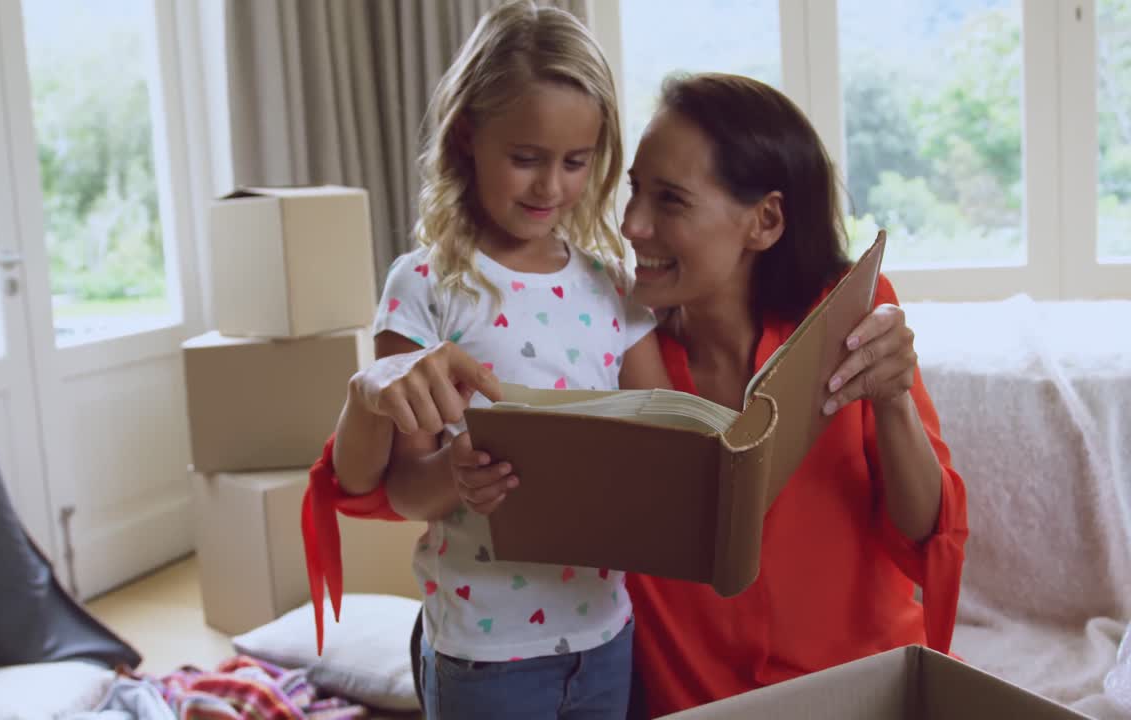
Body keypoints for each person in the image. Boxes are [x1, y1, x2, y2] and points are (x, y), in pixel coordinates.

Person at [305, 69, 968, 720]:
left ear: (765, 221)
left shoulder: (846, 318)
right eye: (633, 192)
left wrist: (893, 398)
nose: (631, 225)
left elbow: (924, 531)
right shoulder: (613, 356)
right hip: (683, 698)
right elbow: (395, 484)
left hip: (861, 689)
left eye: (670, 201)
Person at [303, 2, 672, 718]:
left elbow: (666, 438)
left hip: (606, 630)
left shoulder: (613, 287)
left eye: (576, 162)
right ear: (468, 136)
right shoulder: (423, 285)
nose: (551, 188)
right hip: (485, 651)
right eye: (526, 159)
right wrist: (456, 476)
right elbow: (403, 490)